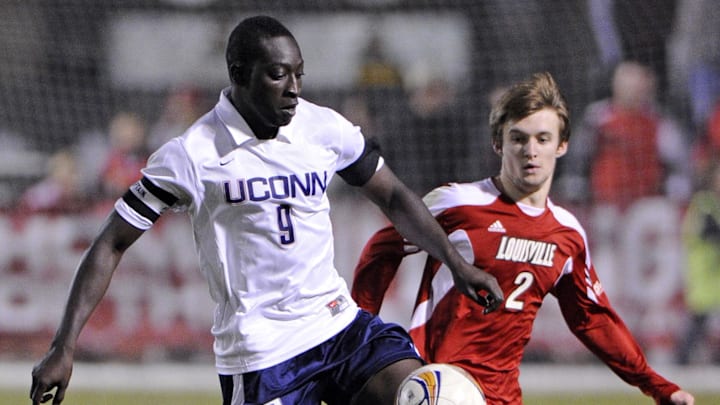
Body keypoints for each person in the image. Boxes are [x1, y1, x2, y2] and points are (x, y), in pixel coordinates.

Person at [29, 15, 503, 405]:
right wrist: (63, 346)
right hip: (261, 355)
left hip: (338, 326)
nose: (294, 88)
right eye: (278, 74)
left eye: (299, 73)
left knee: (439, 398)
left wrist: (456, 264)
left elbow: (394, 195)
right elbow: (111, 241)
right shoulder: (192, 154)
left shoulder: (322, 127)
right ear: (239, 74)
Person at [351, 72, 695, 405]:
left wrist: (656, 385)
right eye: (518, 138)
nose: (531, 150)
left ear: (561, 146)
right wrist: (360, 335)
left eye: (542, 139)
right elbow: (381, 251)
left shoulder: (566, 233)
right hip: (441, 388)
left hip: (504, 396)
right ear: (498, 143)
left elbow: (592, 318)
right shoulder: (457, 204)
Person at [560, 61, 691, 208]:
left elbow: (677, 162)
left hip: (648, 201)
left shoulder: (659, 121)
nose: (634, 91)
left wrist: (676, 193)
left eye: (638, 86)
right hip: (605, 203)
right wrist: (577, 190)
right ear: (616, 86)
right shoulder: (596, 118)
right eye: (629, 86)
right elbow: (578, 158)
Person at [675, 161, 720, 365]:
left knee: (701, 321)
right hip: (704, 273)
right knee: (698, 320)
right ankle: (681, 360)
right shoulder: (704, 204)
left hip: (714, 274)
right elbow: (706, 231)